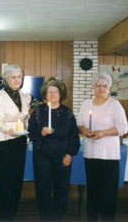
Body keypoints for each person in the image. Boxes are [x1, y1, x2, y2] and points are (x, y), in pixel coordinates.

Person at [77, 72, 128, 221]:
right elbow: (79, 123)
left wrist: (104, 133)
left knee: (108, 194)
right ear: (93, 87)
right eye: (98, 85)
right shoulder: (86, 104)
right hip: (90, 154)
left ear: (109, 88)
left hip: (108, 156)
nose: (101, 88)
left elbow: (123, 128)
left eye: (104, 86)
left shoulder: (114, 105)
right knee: (92, 192)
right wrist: (83, 130)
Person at [28, 78, 80, 221]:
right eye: (49, 92)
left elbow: (74, 137)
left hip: (62, 157)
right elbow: (30, 133)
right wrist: (40, 133)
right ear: (45, 95)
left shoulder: (67, 113)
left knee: (61, 190)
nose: (52, 94)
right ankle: (44, 217)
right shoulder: (38, 112)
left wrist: (69, 154)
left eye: (55, 91)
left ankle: (58, 217)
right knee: (43, 189)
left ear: (60, 94)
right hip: (42, 158)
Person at [0, 64, 32, 220]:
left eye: (19, 77)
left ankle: (11, 213)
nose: (17, 80)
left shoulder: (25, 96)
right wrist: (8, 130)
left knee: (16, 181)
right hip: (4, 143)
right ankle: (4, 215)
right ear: (6, 79)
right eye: (13, 77)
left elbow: (25, 119)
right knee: (5, 183)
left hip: (19, 143)